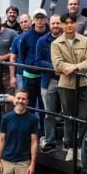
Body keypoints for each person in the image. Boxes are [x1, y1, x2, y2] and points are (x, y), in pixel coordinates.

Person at [50, 14, 87, 162]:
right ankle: (70, 147)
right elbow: (57, 64)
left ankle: (81, 147)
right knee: (69, 117)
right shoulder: (56, 43)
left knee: (83, 117)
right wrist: (68, 68)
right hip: (66, 85)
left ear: (76, 24)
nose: (69, 25)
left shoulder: (85, 41)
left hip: (83, 84)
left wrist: (74, 67)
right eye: (66, 23)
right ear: (62, 25)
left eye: (71, 22)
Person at [35, 13, 62, 151]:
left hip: (66, 80)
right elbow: (38, 61)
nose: (55, 25)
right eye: (53, 23)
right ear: (49, 24)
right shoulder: (42, 41)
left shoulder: (68, 40)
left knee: (69, 113)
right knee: (48, 113)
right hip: (48, 80)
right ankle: (50, 140)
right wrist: (55, 67)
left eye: (58, 23)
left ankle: (68, 143)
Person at [20, 10, 48, 126]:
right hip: (29, 76)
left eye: (42, 18)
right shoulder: (26, 36)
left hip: (45, 76)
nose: (40, 21)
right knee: (29, 105)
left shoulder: (50, 35)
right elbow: (22, 55)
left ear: (46, 19)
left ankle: (43, 132)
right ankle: (29, 129)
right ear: (33, 19)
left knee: (44, 106)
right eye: (37, 18)